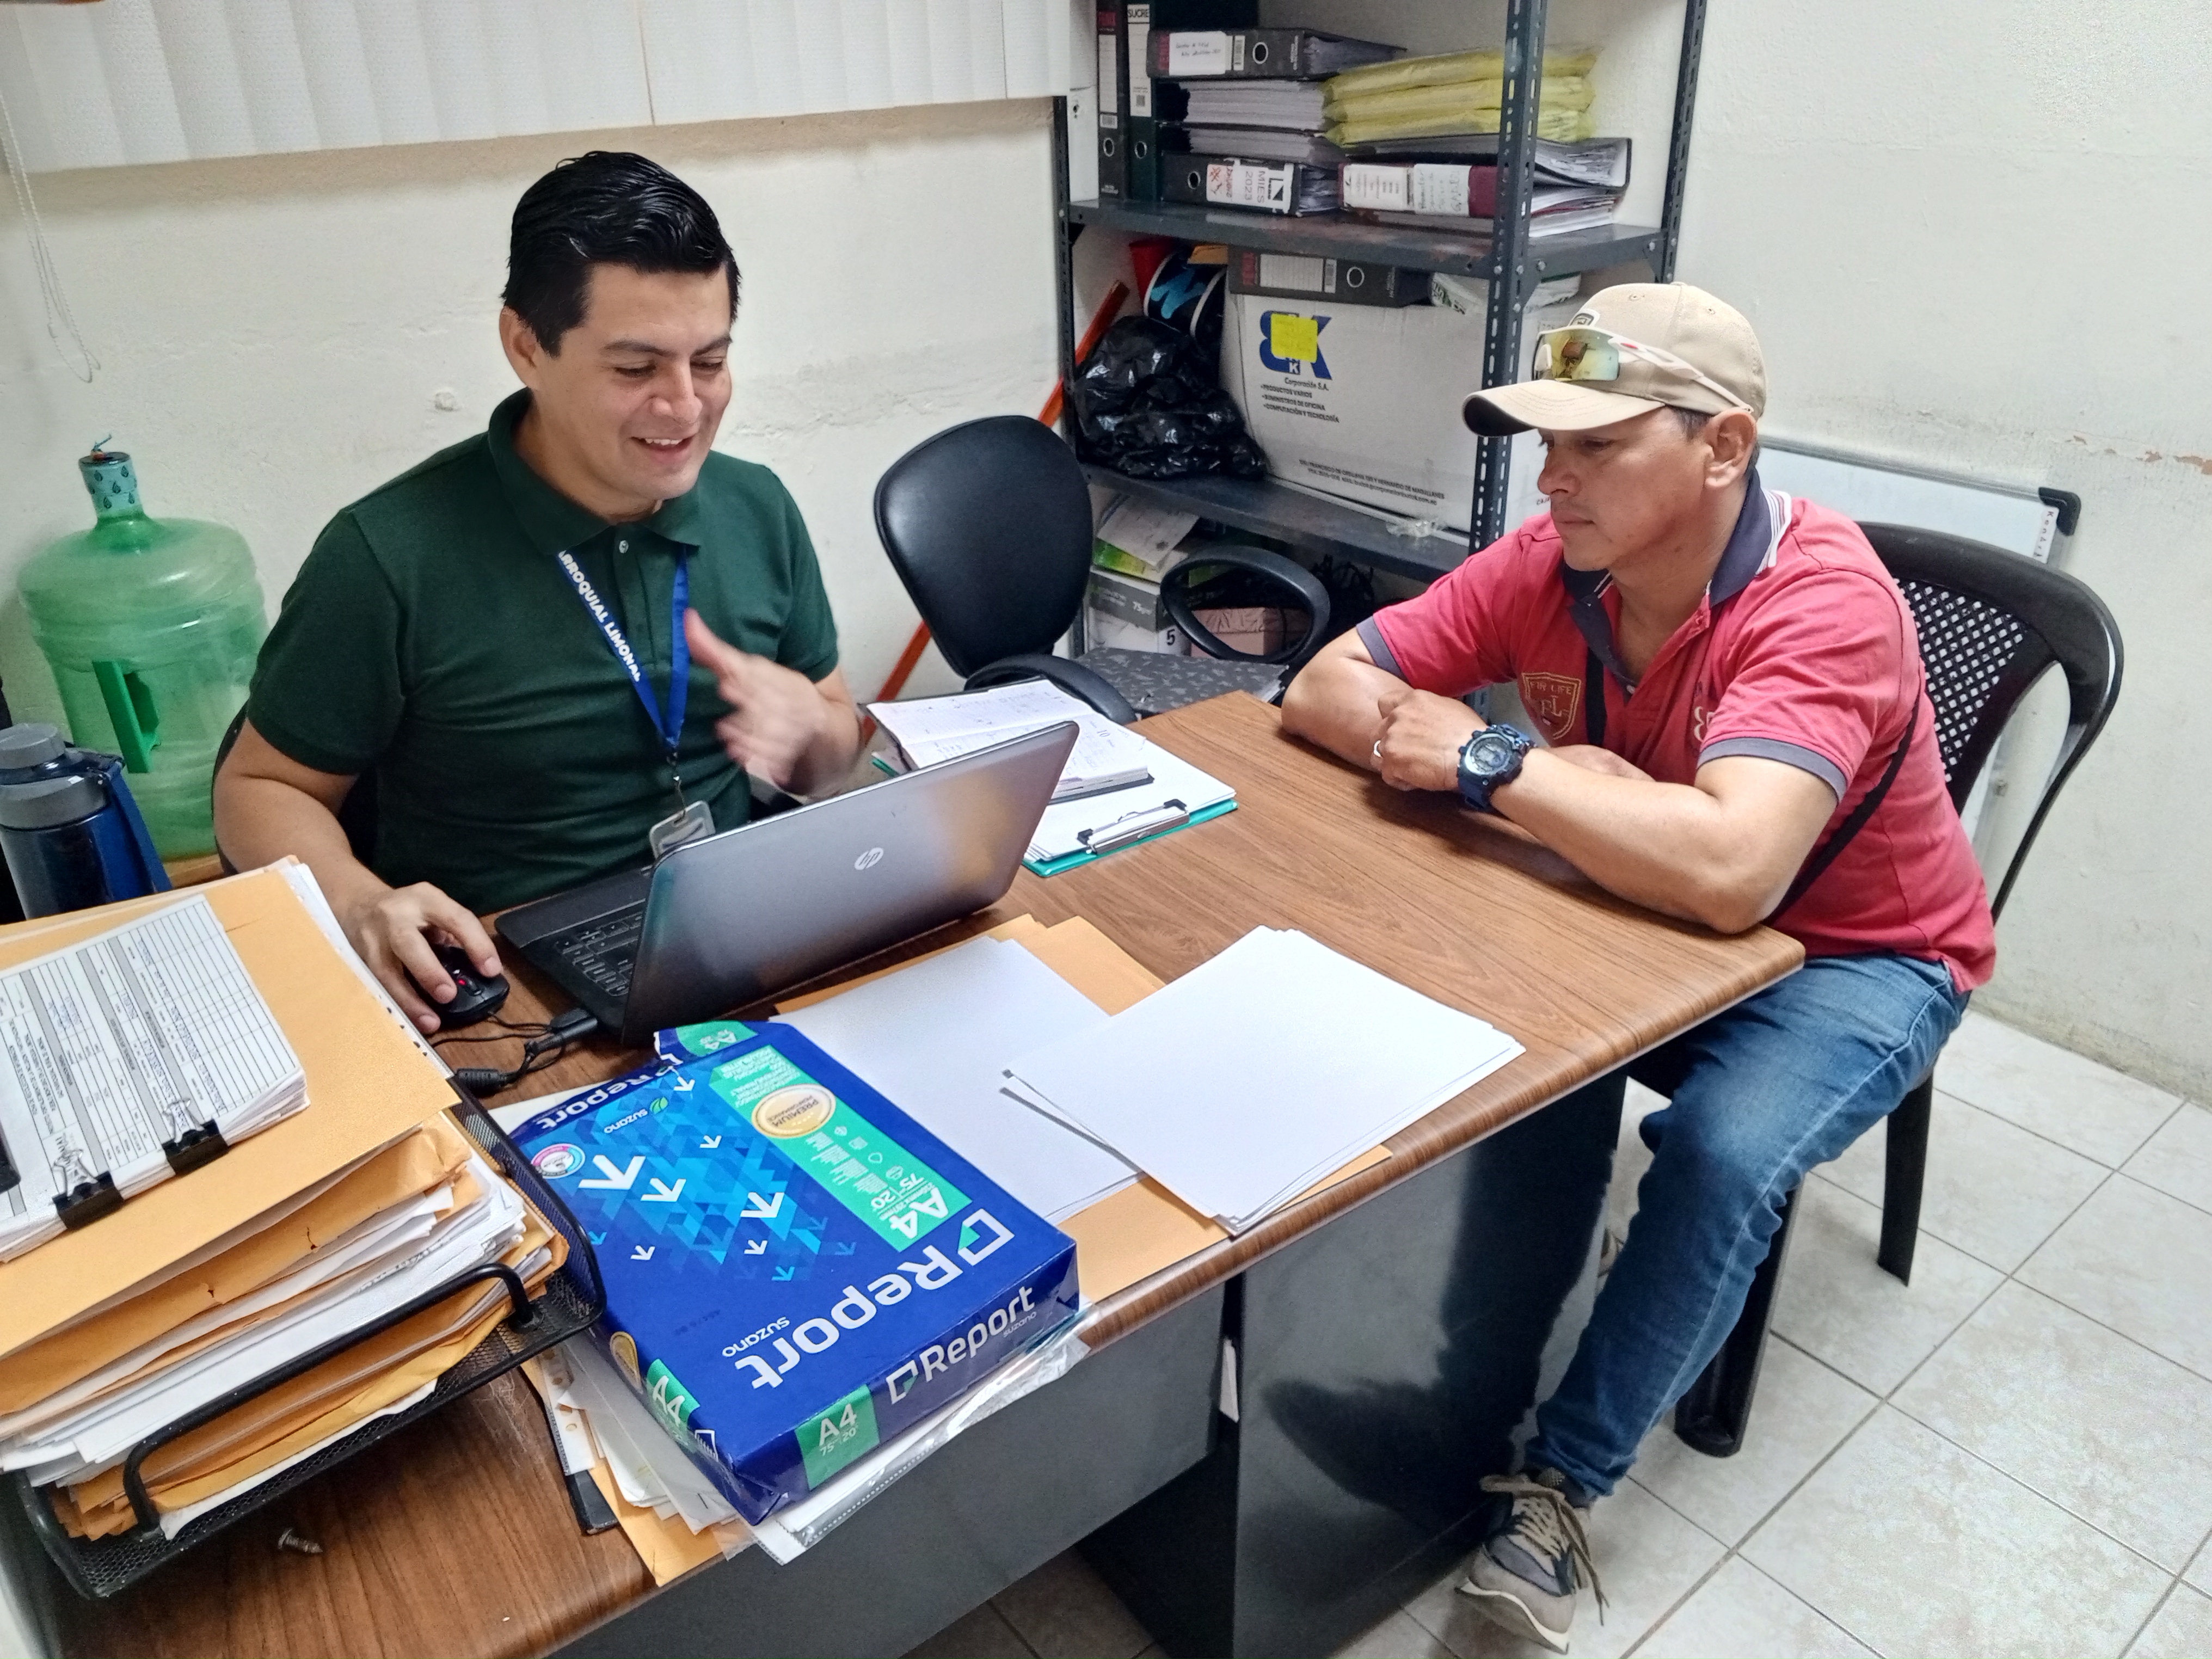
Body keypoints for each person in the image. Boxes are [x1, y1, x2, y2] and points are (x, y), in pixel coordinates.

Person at [1281, 282, 1992, 1653]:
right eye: (1548, 444)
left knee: (1723, 1150)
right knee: (1480, 1025)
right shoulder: (1553, 562)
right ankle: (1452, 1383)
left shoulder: (1822, 602)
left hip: (1857, 953)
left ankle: (1562, 1483)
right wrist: (1570, 792)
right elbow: (1323, 688)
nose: (1553, 478)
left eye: (1598, 445)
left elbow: (1732, 872)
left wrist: (1495, 759)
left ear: (1723, 448)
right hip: (1642, 902)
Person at [215, 152, 862, 1033]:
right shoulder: (388, 554)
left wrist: (815, 732)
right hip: (506, 989)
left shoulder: (757, 507)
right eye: (635, 369)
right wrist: (362, 904)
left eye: (709, 362)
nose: (684, 408)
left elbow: (836, 746)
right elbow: (259, 787)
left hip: (737, 940)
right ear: (526, 346)